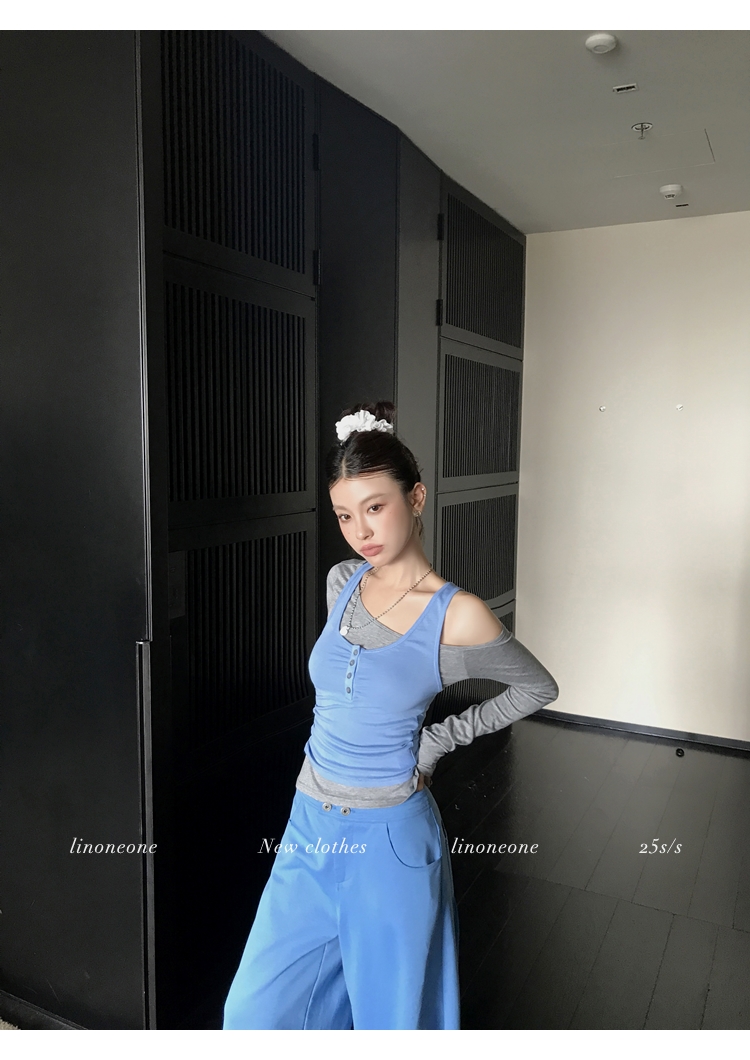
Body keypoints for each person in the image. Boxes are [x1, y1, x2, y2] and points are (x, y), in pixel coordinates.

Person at [223, 400, 559, 1030]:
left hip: (389, 840)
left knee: (392, 1021)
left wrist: (437, 742)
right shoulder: (343, 582)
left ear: (416, 497)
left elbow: (536, 687)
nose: (361, 531)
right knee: (254, 1014)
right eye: (345, 515)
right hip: (308, 823)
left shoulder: (457, 614)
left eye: (375, 507)